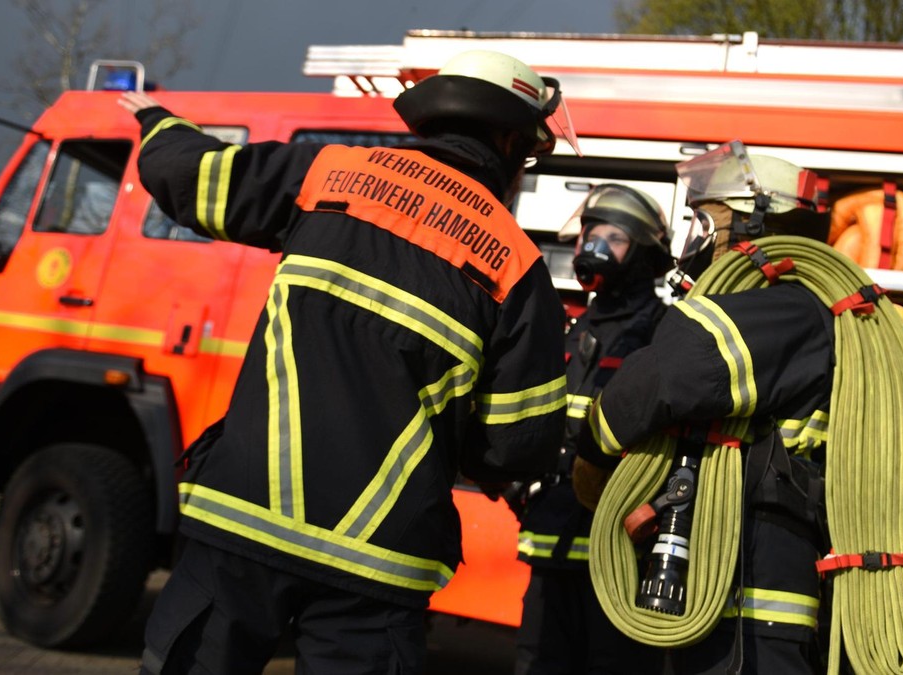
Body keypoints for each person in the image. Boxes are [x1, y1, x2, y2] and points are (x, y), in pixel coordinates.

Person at [118, 49, 574, 675]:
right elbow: (516, 446)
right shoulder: (518, 269)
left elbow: (190, 177)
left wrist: (158, 121)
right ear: (507, 141)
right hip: (378, 562)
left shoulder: (326, 175)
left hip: (247, 518)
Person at [573, 142, 835, 674]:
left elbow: (665, 374)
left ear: (751, 227)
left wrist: (594, 452)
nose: (695, 239)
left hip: (753, 609)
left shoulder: (786, 308)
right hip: (731, 598)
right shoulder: (787, 308)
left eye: (705, 223)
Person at [513, 184, 672, 675]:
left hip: (620, 555)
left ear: (643, 255)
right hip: (552, 539)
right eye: (590, 235)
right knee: (538, 663)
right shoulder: (575, 327)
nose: (594, 247)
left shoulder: (663, 332)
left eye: (613, 238)